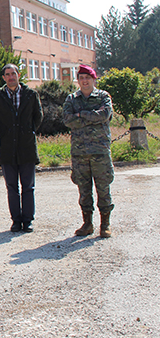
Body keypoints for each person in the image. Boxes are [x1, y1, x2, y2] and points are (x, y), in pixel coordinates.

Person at [0, 64, 43, 233]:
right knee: (11, 187)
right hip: (7, 148)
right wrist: (6, 133)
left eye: (13, 73)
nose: (11, 77)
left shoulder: (30, 95)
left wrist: (28, 130)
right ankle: (16, 220)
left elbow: (38, 116)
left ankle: (27, 220)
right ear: (4, 78)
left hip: (27, 147)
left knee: (28, 186)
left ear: (18, 75)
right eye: (7, 74)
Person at [63, 65, 114, 238]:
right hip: (79, 153)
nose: (85, 81)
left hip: (100, 151)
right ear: (78, 80)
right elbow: (68, 120)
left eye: (88, 78)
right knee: (84, 191)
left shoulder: (103, 96)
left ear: (94, 79)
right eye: (81, 78)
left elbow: (104, 115)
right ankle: (87, 224)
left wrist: (81, 115)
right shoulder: (72, 99)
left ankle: (105, 225)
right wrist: (90, 117)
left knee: (103, 189)